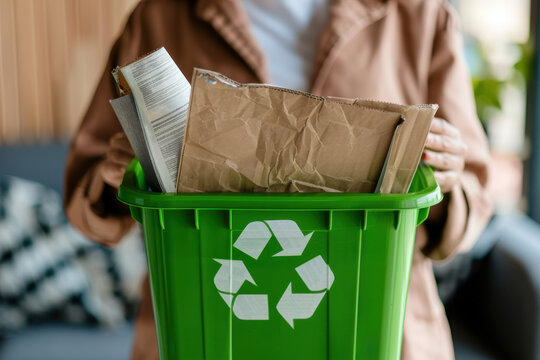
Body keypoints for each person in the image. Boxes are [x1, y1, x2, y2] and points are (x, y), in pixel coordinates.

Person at [64, 0, 492, 359]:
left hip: (379, 331)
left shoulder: (417, 15)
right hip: (201, 328)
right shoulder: (161, 14)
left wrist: (450, 176)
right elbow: (85, 199)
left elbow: (476, 195)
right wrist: (115, 169)